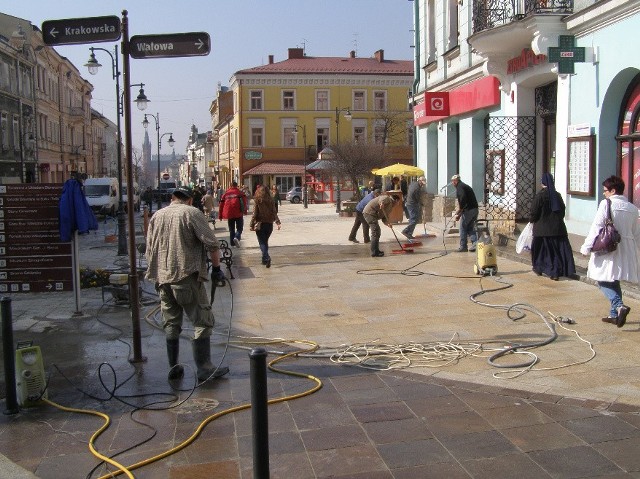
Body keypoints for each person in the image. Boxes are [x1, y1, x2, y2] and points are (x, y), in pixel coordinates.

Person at [145, 187, 229, 382]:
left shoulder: (157, 216)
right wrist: (216, 269)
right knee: (202, 320)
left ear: (172, 199)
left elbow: (150, 248)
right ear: (190, 200)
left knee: (171, 323)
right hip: (185, 276)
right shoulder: (191, 213)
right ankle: (204, 367)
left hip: (162, 278)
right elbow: (212, 243)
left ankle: (173, 368)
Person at [580, 175, 640, 327]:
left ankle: (619, 306)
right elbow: (636, 233)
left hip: (607, 247)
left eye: (605, 190)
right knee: (614, 280)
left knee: (601, 279)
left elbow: (597, 227)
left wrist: (586, 246)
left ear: (613, 191)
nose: (604, 193)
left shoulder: (606, 204)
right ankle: (614, 315)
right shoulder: (633, 208)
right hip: (625, 248)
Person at [529, 172, 576, 281]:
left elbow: (534, 212)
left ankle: (543, 269)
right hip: (558, 229)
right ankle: (556, 272)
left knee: (543, 253)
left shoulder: (540, 196)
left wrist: (532, 221)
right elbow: (562, 211)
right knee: (556, 253)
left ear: (542, 183)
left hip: (542, 231)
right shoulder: (557, 195)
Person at [250, 185, 281, 267]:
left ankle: (266, 257)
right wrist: (277, 222)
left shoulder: (258, 200)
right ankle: (264, 259)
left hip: (260, 224)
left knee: (262, 242)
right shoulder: (271, 200)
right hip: (269, 224)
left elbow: (254, 214)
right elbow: (274, 212)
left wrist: (251, 224)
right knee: (265, 241)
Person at [362, 193, 400, 257]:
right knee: (375, 231)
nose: (398, 204)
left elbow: (384, 218)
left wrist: (388, 223)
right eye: (398, 202)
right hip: (369, 213)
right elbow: (381, 199)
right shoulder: (387, 198)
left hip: (373, 215)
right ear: (396, 200)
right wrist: (381, 203)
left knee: (377, 232)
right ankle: (374, 252)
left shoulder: (390, 207)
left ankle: (376, 250)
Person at [451, 174, 479, 252]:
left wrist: (460, 209)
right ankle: (475, 244)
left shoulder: (460, 187)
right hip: (474, 209)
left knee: (463, 228)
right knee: (470, 227)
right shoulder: (464, 186)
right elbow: (466, 201)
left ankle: (463, 246)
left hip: (469, 210)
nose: (452, 184)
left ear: (455, 181)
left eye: (453, 182)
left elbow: (463, 198)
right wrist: (460, 214)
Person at [218, 181, 248, 247]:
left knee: (231, 229)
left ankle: (232, 244)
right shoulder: (240, 193)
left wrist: (220, 215)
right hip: (238, 213)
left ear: (230, 186)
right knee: (239, 228)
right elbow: (245, 202)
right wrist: (245, 211)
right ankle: (236, 237)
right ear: (236, 186)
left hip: (229, 214)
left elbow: (221, 205)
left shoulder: (226, 194)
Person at [401, 176, 426, 240]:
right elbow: (417, 198)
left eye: (423, 184)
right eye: (422, 183)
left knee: (414, 219)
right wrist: (421, 203)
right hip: (412, 204)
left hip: (409, 203)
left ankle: (409, 233)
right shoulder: (417, 188)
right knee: (414, 219)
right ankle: (406, 231)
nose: (422, 185)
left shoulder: (413, 184)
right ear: (419, 181)